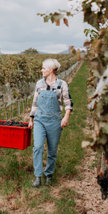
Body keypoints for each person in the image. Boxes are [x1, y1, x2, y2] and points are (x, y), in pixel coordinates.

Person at [28, 58, 73, 187]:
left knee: (52, 150)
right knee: (37, 147)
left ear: (51, 70)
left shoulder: (62, 84)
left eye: (44, 68)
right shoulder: (39, 84)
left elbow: (68, 102)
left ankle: (49, 174)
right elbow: (35, 103)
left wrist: (66, 117)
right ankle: (38, 176)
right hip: (40, 119)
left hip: (54, 120)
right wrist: (31, 118)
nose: (41, 70)